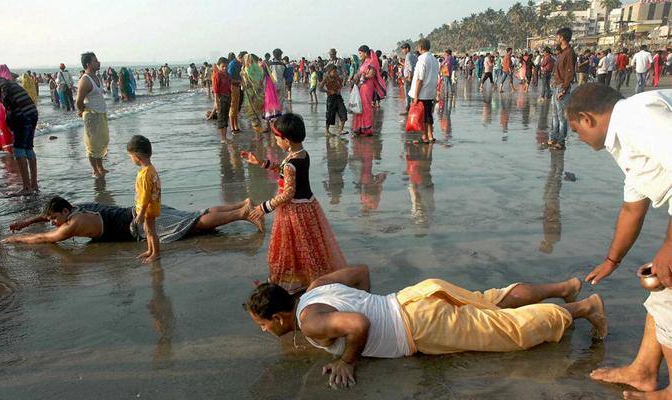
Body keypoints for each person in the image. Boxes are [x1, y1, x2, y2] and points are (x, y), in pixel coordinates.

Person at [246, 265, 607, 389]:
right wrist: (375, 305)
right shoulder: (314, 288)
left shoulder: (310, 322)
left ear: (279, 318)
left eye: (262, 325)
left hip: (422, 325)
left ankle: (583, 307)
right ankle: (564, 287)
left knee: (508, 331)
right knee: (490, 299)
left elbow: (358, 323)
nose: (264, 332)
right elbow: (360, 273)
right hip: (414, 296)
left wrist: (347, 360)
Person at [565, 84, 672, 400]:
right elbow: (632, 207)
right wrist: (613, 259)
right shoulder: (625, 135)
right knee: (660, 293)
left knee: (669, 303)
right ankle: (644, 371)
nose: (578, 139)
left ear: (587, 118)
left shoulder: (637, 119)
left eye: (575, 130)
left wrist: (670, 245)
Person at [241, 113, 347, 293]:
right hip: (309, 206)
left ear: (287, 140)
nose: (275, 141)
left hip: (294, 211)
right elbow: (283, 170)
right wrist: (261, 163)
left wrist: (263, 207)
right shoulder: (302, 154)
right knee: (308, 246)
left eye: (277, 138)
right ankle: (308, 279)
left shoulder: (291, 163)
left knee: (288, 247)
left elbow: (288, 193)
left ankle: (287, 284)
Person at [3, 195, 264, 245]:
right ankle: (242, 205)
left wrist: (17, 238)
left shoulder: (73, 225)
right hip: (139, 210)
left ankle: (242, 214)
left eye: (54, 219)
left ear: (63, 213)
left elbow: (44, 238)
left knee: (194, 225)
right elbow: (45, 219)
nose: (53, 223)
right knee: (193, 216)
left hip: (139, 224)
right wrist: (26, 221)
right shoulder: (75, 207)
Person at [0, 74, 39, 196]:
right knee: (28, 148)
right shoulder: (5, 83)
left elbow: (9, 105)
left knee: (19, 149)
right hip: (32, 111)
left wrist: (10, 123)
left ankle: (27, 187)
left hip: (21, 114)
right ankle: (34, 184)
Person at [126, 135, 161, 263]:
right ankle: (150, 250)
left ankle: (156, 253)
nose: (131, 159)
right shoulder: (149, 169)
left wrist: (141, 213)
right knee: (148, 230)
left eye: (130, 157)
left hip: (148, 208)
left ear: (137, 156)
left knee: (151, 231)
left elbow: (146, 195)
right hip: (150, 206)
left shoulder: (146, 174)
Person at [75, 52, 109, 178]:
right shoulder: (85, 80)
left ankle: (101, 166)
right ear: (88, 64)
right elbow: (79, 101)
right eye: (95, 61)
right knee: (92, 144)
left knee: (102, 141)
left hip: (101, 114)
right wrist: (82, 111)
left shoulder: (96, 77)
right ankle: (95, 170)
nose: (98, 62)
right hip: (91, 115)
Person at [351, 45, 387, 136]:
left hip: (367, 86)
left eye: (360, 53)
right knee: (361, 106)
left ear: (366, 53)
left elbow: (372, 74)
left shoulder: (371, 62)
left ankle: (367, 127)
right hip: (361, 86)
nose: (359, 55)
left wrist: (363, 76)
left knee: (366, 106)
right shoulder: (364, 62)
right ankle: (359, 127)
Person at [549, 27, 575, 150]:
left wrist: (564, 89)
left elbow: (570, 73)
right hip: (556, 86)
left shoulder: (569, 52)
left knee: (561, 117)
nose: (556, 39)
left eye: (558, 37)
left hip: (562, 87)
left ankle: (561, 141)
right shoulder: (562, 52)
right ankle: (553, 137)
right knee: (554, 114)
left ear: (563, 38)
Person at [409, 38, 439, 144]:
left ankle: (425, 135)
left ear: (420, 48)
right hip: (431, 91)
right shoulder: (434, 59)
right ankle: (431, 135)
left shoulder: (422, 60)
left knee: (422, 115)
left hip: (422, 92)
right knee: (429, 114)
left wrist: (416, 95)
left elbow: (419, 79)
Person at [320, 65, 348, 136]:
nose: (335, 73)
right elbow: (320, 88)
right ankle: (327, 130)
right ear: (329, 72)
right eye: (334, 72)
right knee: (330, 115)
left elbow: (341, 84)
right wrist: (328, 91)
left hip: (338, 97)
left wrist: (339, 89)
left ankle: (341, 130)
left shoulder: (337, 77)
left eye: (336, 71)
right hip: (331, 99)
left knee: (343, 112)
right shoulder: (326, 78)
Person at [213, 57, 232, 143]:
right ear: (218, 66)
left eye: (226, 66)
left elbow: (229, 86)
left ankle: (225, 136)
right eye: (222, 66)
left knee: (225, 117)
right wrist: (217, 102)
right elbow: (216, 91)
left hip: (228, 96)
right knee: (221, 117)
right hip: (221, 98)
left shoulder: (227, 75)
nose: (224, 68)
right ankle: (222, 138)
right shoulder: (217, 75)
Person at [227, 52, 244, 132]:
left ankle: (236, 126)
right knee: (233, 107)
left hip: (237, 86)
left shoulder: (239, 64)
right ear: (240, 57)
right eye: (243, 59)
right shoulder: (232, 64)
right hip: (232, 87)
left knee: (236, 108)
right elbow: (229, 78)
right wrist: (239, 81)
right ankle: (232, 127)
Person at [400, 43, 418, 114]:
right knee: (412, 93)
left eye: (403, 49)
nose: (402, 51)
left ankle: (408, 110)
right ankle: (413, 108)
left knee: (407, 94)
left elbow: (410, 68)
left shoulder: (408, 56)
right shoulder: (414, 56)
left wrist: (409, 77)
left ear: (407, 49)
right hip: (413, 76)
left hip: (409, 77)